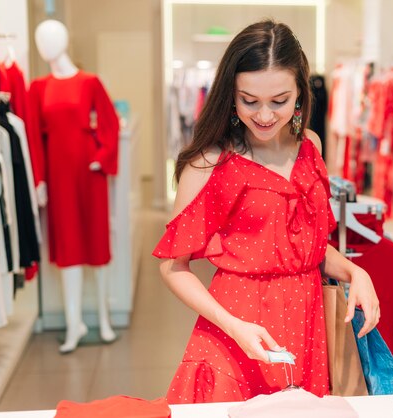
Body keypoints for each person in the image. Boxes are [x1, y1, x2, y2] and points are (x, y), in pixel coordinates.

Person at [153, 20, 380, 403]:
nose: (263, 115)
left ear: (299, 95)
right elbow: (173, 266)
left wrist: (356, 271)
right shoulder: (210, 161)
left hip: (306, 323)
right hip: (235, 327)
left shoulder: (309, 146)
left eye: (278, 101)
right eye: (248, 100)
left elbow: (305, 245)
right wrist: (235, 326)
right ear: (230, 95)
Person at [30, 19, 118, 353]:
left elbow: (108, 121)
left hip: (88, 173)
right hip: (59, 175)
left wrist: (103, 155)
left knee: (97, 245)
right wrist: (39, 178)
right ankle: (74, 325)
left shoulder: (89, 82)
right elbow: (36, 140)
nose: (45, 45)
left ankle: (105, 320)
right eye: (40, 39)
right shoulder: (38, 88)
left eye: (49, 38)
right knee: (68, 249)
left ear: (64, 40)